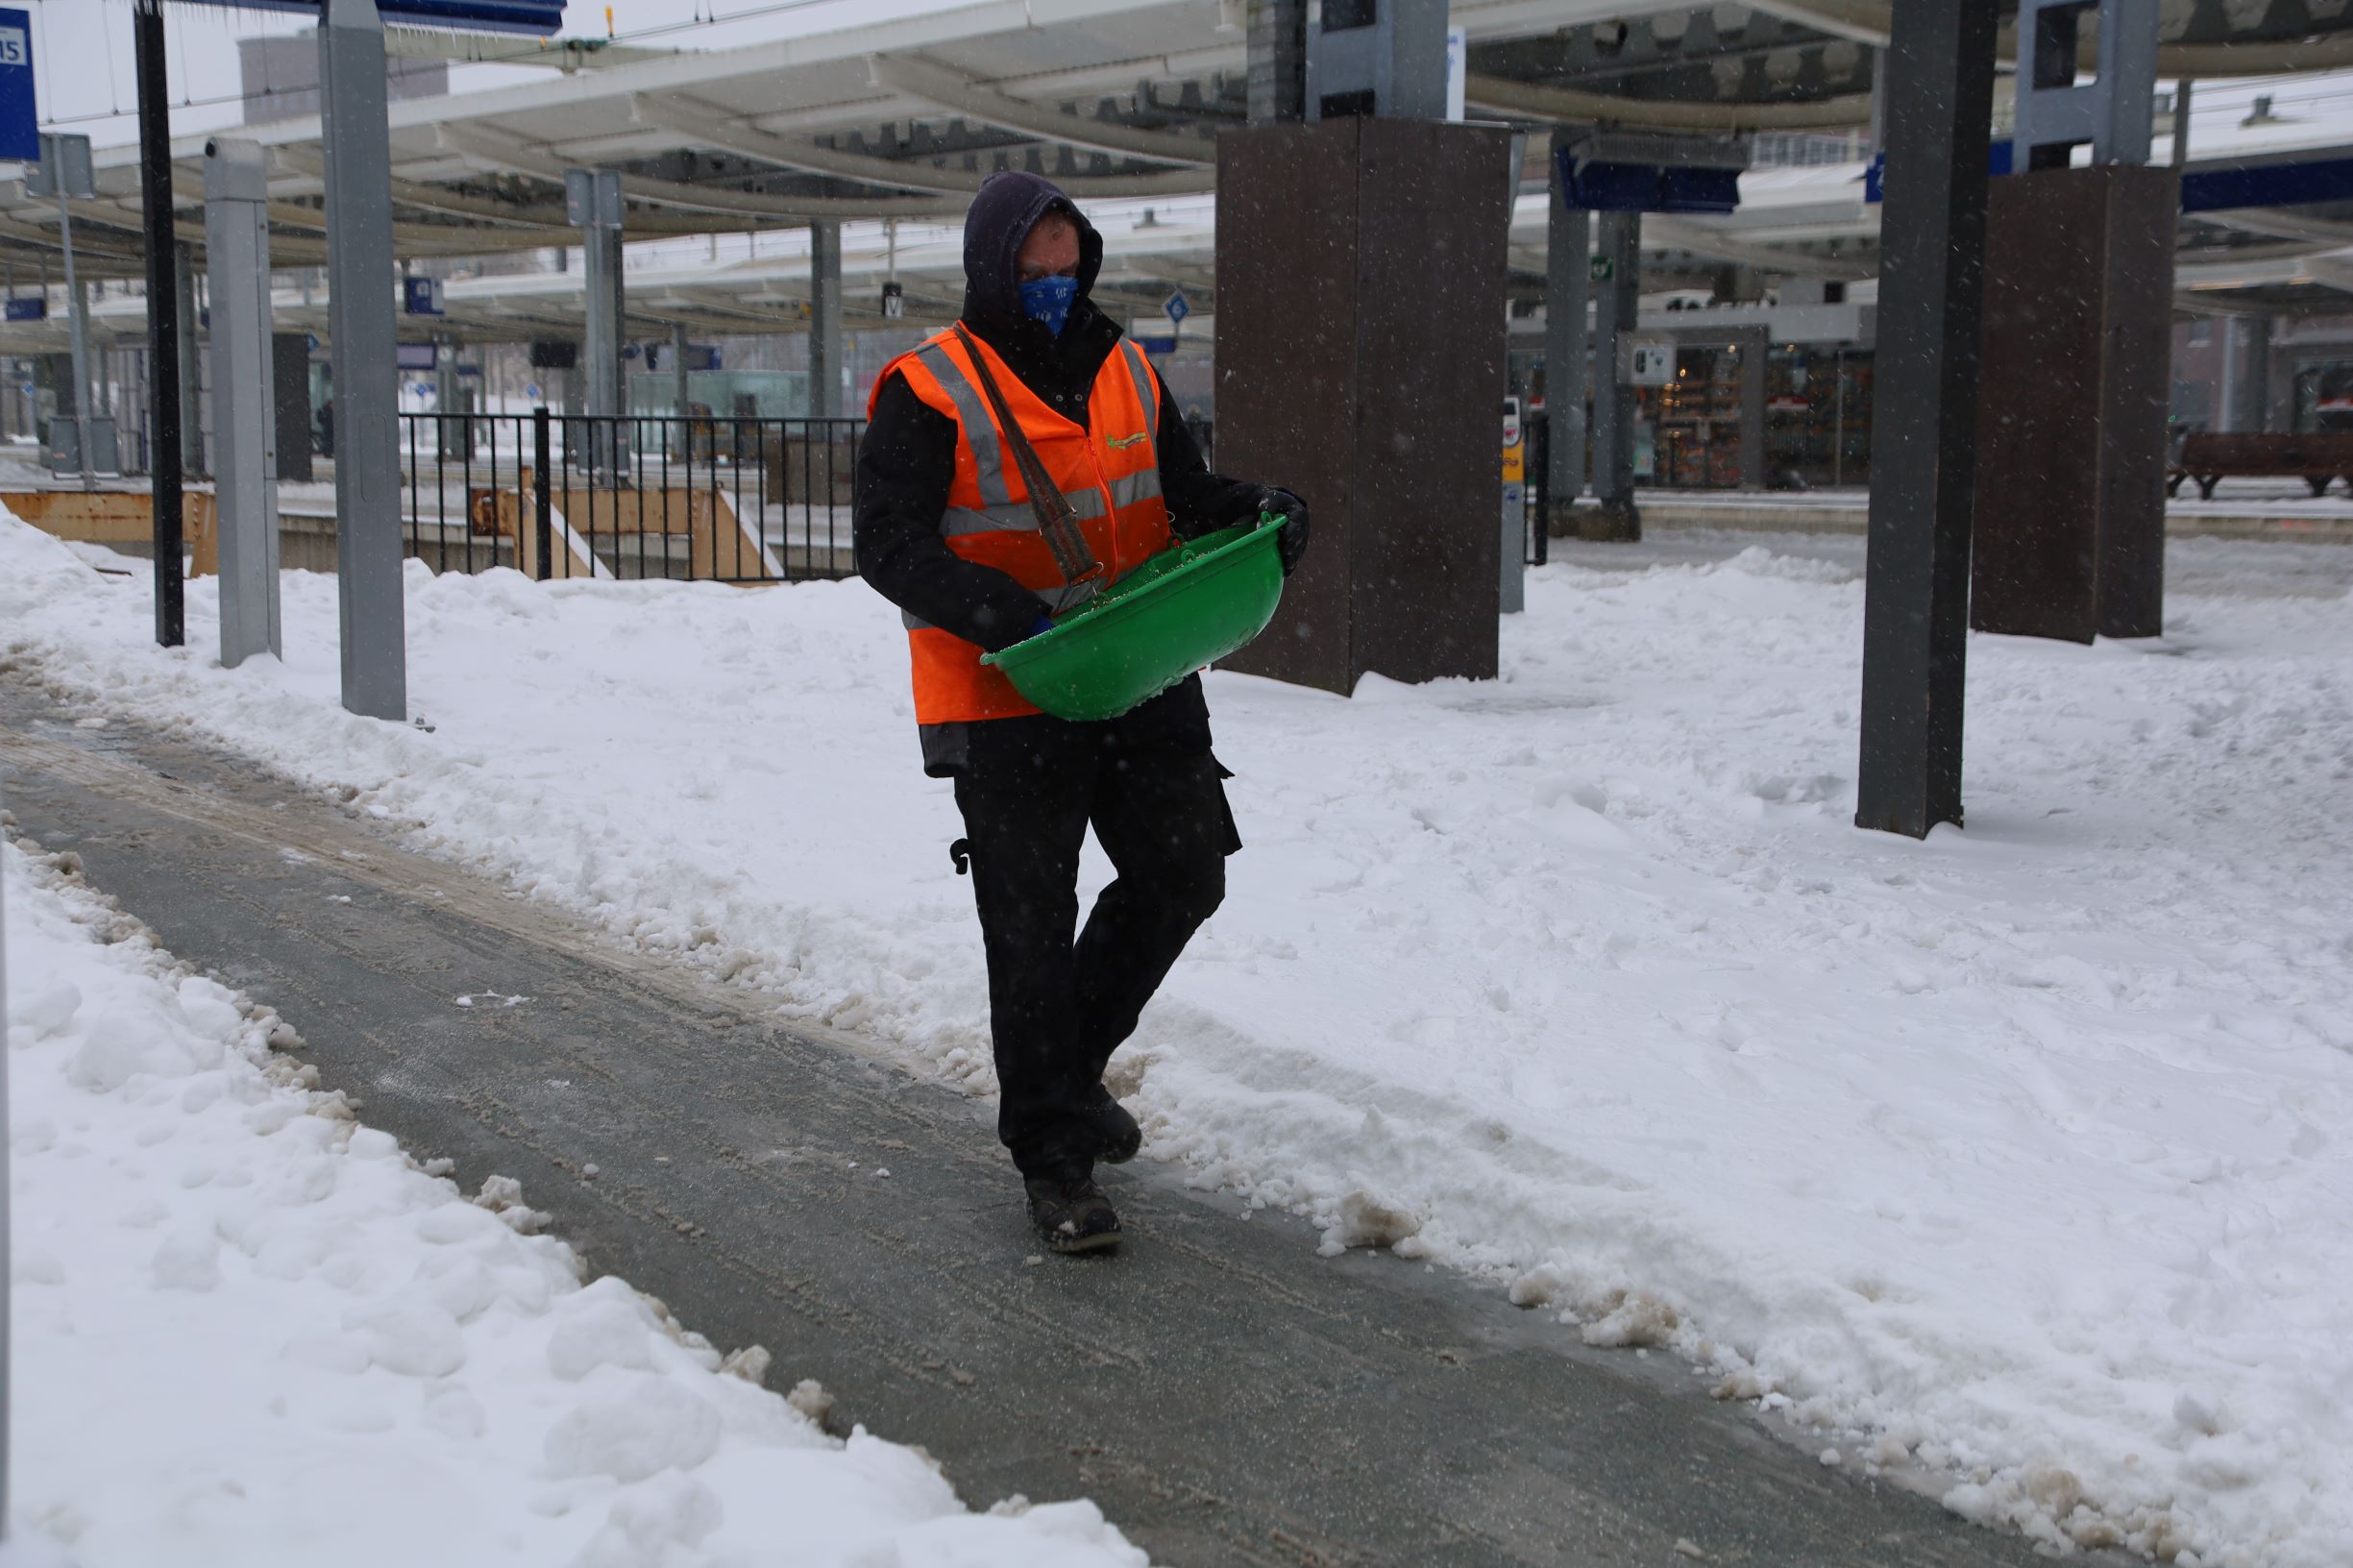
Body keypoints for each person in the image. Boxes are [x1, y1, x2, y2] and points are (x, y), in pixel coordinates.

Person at [853, 172, 1309, 1255]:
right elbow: (889, 544)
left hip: (1138, 668)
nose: (1054, 287)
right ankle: (1054, 1159)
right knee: (1029, 922)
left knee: (1184, 872)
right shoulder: (928, 387)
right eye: (1033, 270)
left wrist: (1261, 511)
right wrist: (1007, 616)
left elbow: (1181, 500)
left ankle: (1066, 1070)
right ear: (992, 270)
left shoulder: (1124, 371)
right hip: (1007, 690)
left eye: (1068, 267)